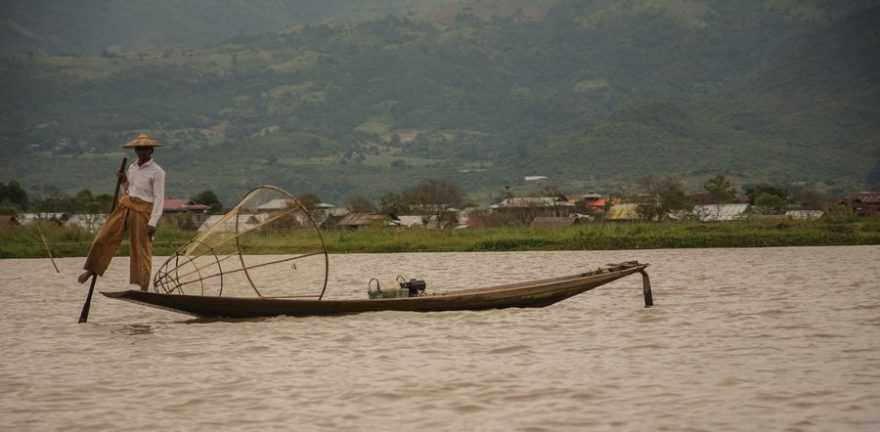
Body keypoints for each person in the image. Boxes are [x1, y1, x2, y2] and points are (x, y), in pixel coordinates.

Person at [77, 133, 166, 291]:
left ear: (151, 150)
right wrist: (123, 180)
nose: (141, 152)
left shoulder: (157, 171)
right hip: (125, 204)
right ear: (136, 151)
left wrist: (153, 222)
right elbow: (128, 189)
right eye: (139, 149)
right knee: (103, 238)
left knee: (141, 249)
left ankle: (143, 286)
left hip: (143, 210)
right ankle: (92, 269)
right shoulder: (132, 167)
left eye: (145, 149)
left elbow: (159, 198)